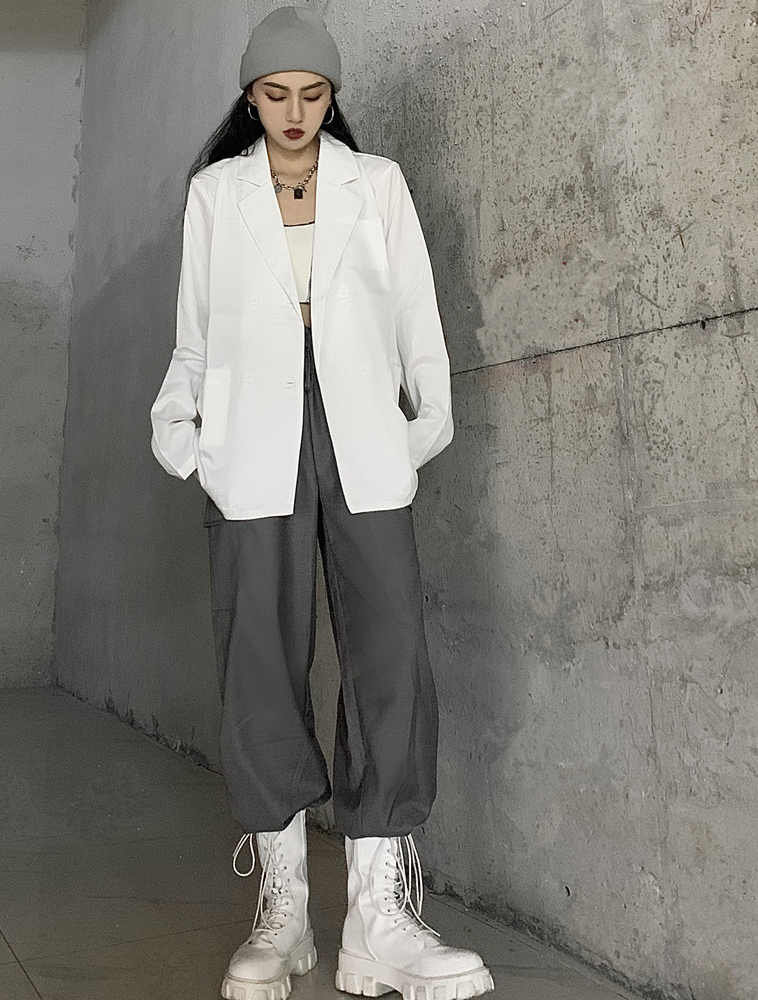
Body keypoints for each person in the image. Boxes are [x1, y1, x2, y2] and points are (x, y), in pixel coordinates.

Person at [150, 8, 494, 1000]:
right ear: (249, 97)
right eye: (275, 93)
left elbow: (418, 321)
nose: (295, 111)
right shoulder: (216, 194)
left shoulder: (374, 184)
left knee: (391, 651)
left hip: (362, 439)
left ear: (332, 95)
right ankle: (287, 914)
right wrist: (189, 441)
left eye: (312, 92)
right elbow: (193, 335)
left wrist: (419, 427)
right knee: (258, 656)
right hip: (251, 442)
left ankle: (380, 922)